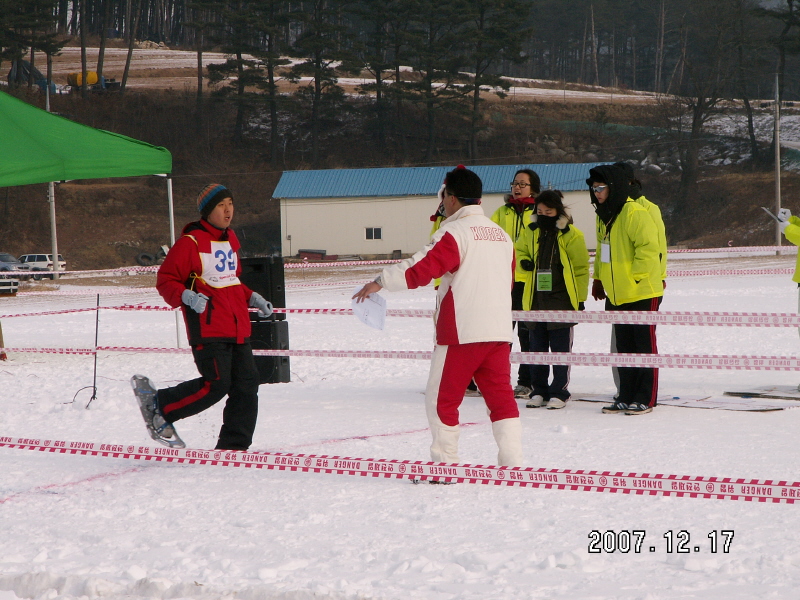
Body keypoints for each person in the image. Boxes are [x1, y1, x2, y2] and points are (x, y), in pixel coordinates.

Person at [353, 166, 523, 467]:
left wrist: (380, 280)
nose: (441, 204)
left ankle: (445, 463)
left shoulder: (455, 232)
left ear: (453, 198)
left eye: (442, 197)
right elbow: (507, 282)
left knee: (441, 399)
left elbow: (422, 267)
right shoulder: (501, 235)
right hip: (498, 331)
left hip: (461, 331)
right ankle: (513, 462)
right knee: (500, 398)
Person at [131, 183, 274, 449]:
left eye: (230, 203)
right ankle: (160, 405)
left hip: (237, 327)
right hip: (208, 328)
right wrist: (185, 296)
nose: (228, 210)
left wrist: (252, 297)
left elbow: (229, 282)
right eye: (221, 205)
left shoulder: (230, 239)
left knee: (247, 385)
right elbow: (166, 280)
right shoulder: (191, 242)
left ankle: (234, 446)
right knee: (217, 385)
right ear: (208, 211)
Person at [588, 165, 663, 415]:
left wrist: (634, 279)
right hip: (617, 293)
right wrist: (599, 278)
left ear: (615, 187)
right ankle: (626, 394)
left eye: (601, 187)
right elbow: (602, 251)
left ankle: (645, 397)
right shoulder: (604, 214)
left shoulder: (635, 212)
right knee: (624, 348)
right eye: (594, 188)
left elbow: (649, 249)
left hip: (642, 292)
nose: (596, 192)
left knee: (643, 346)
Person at [515, 190, 589, 409]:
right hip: (535, 300)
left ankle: (559, 391)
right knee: (535, 349)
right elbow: (519, 252)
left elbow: (580, 268)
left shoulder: (572, 234)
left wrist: (580, 298)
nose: (544, 215)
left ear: (558, 211)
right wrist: (525, 262)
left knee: (560, 350)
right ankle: (538, 390)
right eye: (540, 211)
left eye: (549, 211)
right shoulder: (530, 231)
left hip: (561, 301)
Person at [490, 168, 541, 399]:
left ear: (534, 188)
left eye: (523, 184)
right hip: (503, 282)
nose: (517, 187)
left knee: (526, 334)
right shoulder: (502, 212)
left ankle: (526, 381)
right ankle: (496, 379)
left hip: (528, 282)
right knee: (500, 334)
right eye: (515, 183)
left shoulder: (539, 212)